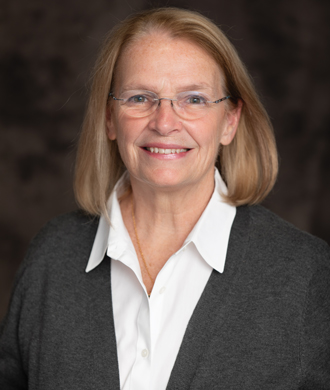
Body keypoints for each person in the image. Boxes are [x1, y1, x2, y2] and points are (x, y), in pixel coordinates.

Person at [0, 7, 329, 390]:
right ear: (109, 118)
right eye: (140, 97)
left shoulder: (306, 275)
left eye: (193, 99)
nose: (164, 122)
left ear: (230, 121)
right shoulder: (51, 258)